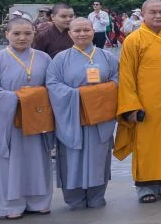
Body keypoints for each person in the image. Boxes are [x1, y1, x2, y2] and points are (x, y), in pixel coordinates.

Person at [115, 0, 161, 203]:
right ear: (143, 14)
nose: (158, 16)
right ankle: (146, 186)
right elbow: (126, 76)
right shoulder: (134, 39)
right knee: (147, 145)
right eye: (153, 12)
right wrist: (131, 106)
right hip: (146, 104)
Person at [0, 17, 55, 219]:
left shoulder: (43, 58)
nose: (22, 37)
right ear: (6, 34)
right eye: (17, 33)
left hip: (36, 118)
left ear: (34, 34)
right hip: (8, 119)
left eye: (28, 33)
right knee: (9, 161)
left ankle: (39, 201)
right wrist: (17, 98)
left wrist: (36, 98)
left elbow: (53, 86)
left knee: (38, 159)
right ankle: (11, 205)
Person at [47, 16, 118, 210]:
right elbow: (52, 85)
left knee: (99, 156)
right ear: (70, 34)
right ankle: (74, 198)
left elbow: (117, 81)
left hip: (99, 118)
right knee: (71, 157)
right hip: (72, 117)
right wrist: (80, 96)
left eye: (86, 30)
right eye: (77, 31)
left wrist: (98, 95)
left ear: (93, 31)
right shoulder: (60, 59)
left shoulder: (107, 57)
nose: (82, 34)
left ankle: (97, 196)